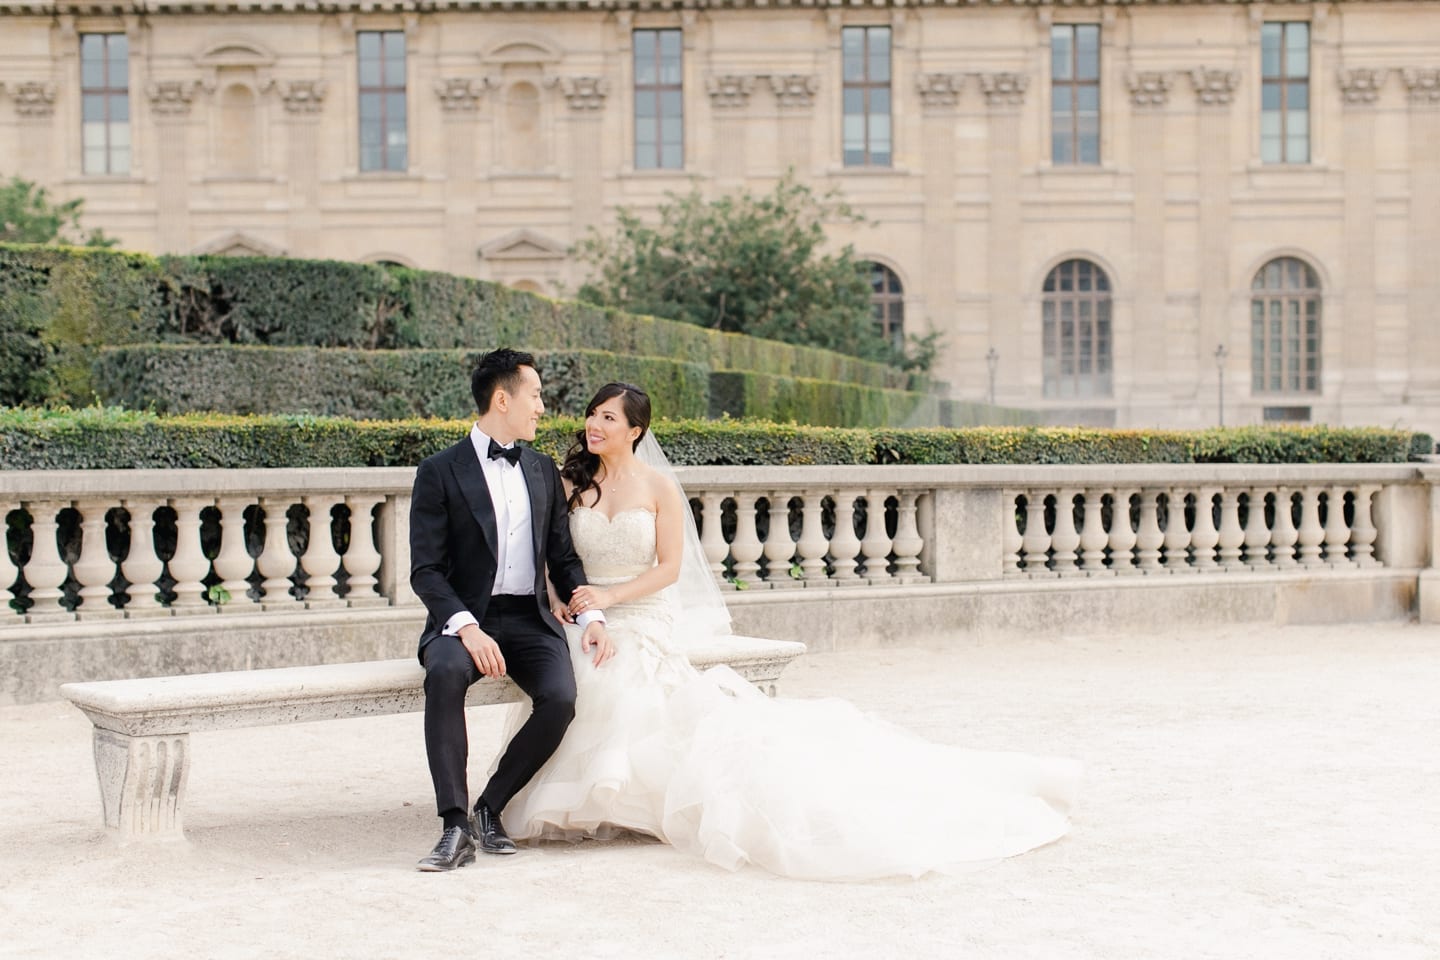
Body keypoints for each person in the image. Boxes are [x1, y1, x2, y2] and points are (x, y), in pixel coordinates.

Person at [494, 382, 1083, 881]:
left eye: (608, 418)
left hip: (639, 612)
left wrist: (612, 598)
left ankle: (625, 800)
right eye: (594, 415)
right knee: (568, 672)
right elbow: (554, 555)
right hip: (586, 612)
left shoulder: (657, 488)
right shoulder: (573, 483)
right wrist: (565, 599)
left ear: (636, 430)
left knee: (617, 678)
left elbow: (669, 570)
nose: (594, 425)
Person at [408, 349, 614, 872]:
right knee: (447, 675)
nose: (542, 407)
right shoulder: (438, 471)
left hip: (529, 618)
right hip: (464, 620)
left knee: (561, 697)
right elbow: (426, 570)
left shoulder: (542, 469)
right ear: (503, 400)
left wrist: (590, 616)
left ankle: (489, 807)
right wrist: (467, 628)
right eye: (536, 395)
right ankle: (454, 826)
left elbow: (563, 558)